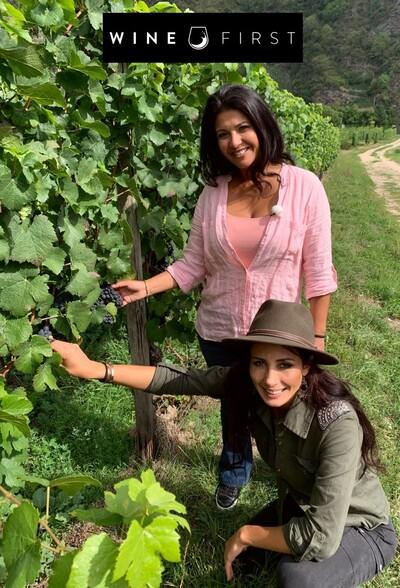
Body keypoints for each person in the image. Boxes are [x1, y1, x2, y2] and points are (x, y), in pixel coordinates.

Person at [51, 300, 397, 588]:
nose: (270, 379)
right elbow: (178, 379)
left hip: (362, 527)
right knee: (245, 563)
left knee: (297, 579)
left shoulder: (336, 423)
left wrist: (248, 533)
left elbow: (321, 537)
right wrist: (97, 369)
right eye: (259, 363)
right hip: (305, 505)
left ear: (306, 367)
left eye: (285, 365)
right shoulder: (247, 385)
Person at [113, 84, 338, 509]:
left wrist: (317, 340)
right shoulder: (213, 195)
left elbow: (320, 273)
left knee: (287, 411)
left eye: (242, 127)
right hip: (220, 331)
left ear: (262, 125)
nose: (234, 141)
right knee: (234, 405)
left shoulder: (304, 188)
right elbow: (192, 264)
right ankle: (235, 470)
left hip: (277, 335)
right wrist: (145, 287)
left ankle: (297, 480)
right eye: (222, 134)